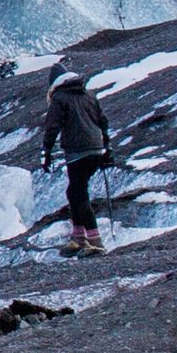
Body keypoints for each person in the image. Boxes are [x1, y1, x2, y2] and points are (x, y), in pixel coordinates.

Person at [40, 71, 113, 254]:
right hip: (96, 148)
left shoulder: (60, 98)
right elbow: (103, 120)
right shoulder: (89, 94)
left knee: (78, 194)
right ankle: (78, 238)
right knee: (75, 191)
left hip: (77, 151)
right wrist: (106, 147)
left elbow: (52, 126)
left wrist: (46, 151)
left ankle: (95, 242)